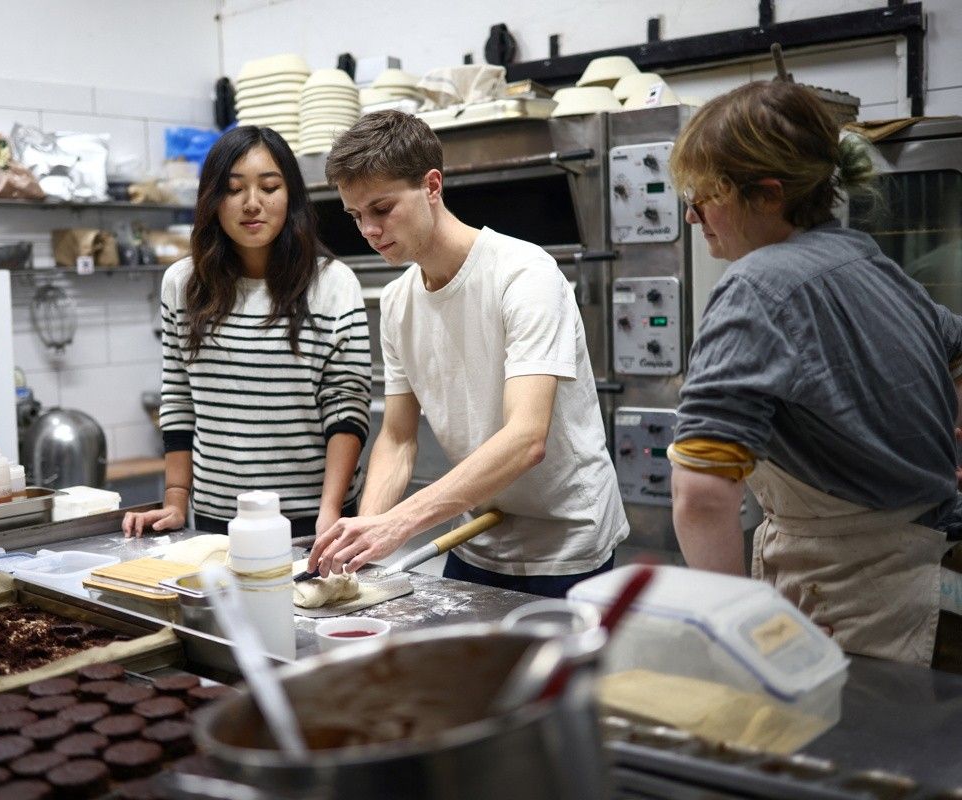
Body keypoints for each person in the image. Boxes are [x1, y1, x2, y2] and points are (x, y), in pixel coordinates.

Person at [667, 80, 962, 668]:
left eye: (706, 196)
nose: (694, 215)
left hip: (858, 604)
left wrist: (737, 634)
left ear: (768, 194)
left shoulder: (755, 288)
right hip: (940, 576)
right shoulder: (867, 260)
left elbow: (701, 494)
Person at [308, 111, 629, 597]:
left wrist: (400, 523)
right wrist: (365, 536)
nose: (369, 230)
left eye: (382, 208)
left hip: (565, 549)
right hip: (474, 540)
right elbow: (396, 439)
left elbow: (526, 438)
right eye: (356, 216)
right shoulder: (398, 303)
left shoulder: (524, 275)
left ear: (432, 185)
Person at [122, 126, 371, 539]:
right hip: (218, 520)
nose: (252, 204)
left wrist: (331, 510)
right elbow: (179, 397)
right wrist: (175, 499)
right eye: (234, 189)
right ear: (212, 201)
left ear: (290, 195)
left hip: (313, 521)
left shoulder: (333, 284)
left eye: (269, 187)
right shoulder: (183, 285)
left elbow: (346, 407)